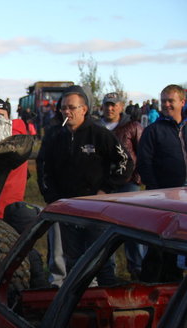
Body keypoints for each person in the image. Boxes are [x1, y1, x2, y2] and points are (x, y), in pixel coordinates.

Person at [39, 85, 133, 285]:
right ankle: (78, 307)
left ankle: (109, 306)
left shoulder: (99, 133)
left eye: (72, 107)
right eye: (64, 108)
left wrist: (106, 190)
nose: (67, 112)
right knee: (73, 262)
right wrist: (51, 197)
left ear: (84, 109)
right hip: (66, 207)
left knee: (101, 260)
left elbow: (125, 161)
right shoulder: (54, 135)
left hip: (95, 207)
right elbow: (43, 167)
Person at [98, 92, 145, 278]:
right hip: (104, 184)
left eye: (113, 105)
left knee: (132, 229)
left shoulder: (133, 126)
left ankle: (137, 269)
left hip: (128, 184)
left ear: (121, 106)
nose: (110, 108)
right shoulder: (97, 127)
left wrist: (137, 179)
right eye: (107, 104)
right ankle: (108, 272)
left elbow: (142, 153)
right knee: (105, 229)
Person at [137, 84, 186, 190]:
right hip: (165, 193)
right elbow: (144, 162)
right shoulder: (152, 131)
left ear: (182, 102)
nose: (166, 104)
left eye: (170, 101)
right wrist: (156, 189)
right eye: (163, 101)